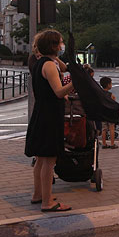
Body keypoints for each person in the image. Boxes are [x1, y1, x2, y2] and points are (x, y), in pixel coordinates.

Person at [25, 29, 74, 212]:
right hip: (50, 115)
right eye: (60, 43)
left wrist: (54, 56)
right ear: (53, 46)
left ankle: (38, 195)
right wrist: (76, 82)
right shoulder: (48, 65)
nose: (62, 46)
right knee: (49, 160)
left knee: (40, 159)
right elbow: (59, 92)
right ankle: (48, 202)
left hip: (41, 113)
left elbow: (63, 67)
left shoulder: (41, 62)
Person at [99, 76, 118, 149]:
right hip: (110, 114)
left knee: (104, 129)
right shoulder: (111, 95)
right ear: (108, 85)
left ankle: (104, 144)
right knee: (111, 128)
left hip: (103, 114)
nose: (111, 85)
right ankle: (112, 144)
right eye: (111, 83)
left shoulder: (100, 94)